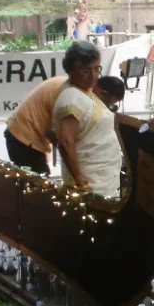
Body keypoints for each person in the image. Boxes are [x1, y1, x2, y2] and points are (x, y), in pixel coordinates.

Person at [4, 74, 125, 175]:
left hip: (26, 136)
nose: (103, 107)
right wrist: (78, 167)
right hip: (22, 138)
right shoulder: (71, 95)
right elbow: (60, 138)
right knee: (38, 189)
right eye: (105, 103)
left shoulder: (80, 90)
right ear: (102, 92)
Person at [53, 42, 123, 196]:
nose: (93, 76)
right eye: (86, 70)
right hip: (91, 187)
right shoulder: (71, 97)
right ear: (70, 70)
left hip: (103, 184)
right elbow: (65, 142)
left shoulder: (86, 92)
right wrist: (81, 182)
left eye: (97, 69)